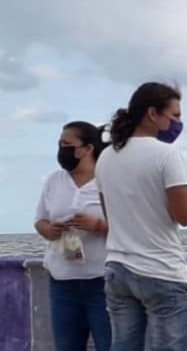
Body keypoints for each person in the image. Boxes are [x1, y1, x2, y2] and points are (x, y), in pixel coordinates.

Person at [95, 82, 187, 351]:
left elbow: (111, 216)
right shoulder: (166, 155)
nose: (178, 123)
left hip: (118, 268)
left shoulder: (106, 157)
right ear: (153, 114)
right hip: (162, 271)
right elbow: (185, 216)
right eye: (174, 116)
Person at [35, 121, 111, 351]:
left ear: (87, 149)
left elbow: (130, 225)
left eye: (67, 144)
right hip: (63, 282)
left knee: (110, 344)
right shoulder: (54, 180)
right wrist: (49, 230)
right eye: (59, 144)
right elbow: (40, 219)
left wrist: (97, 225)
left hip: (103, 281)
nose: (61, 149)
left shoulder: (107, 180)